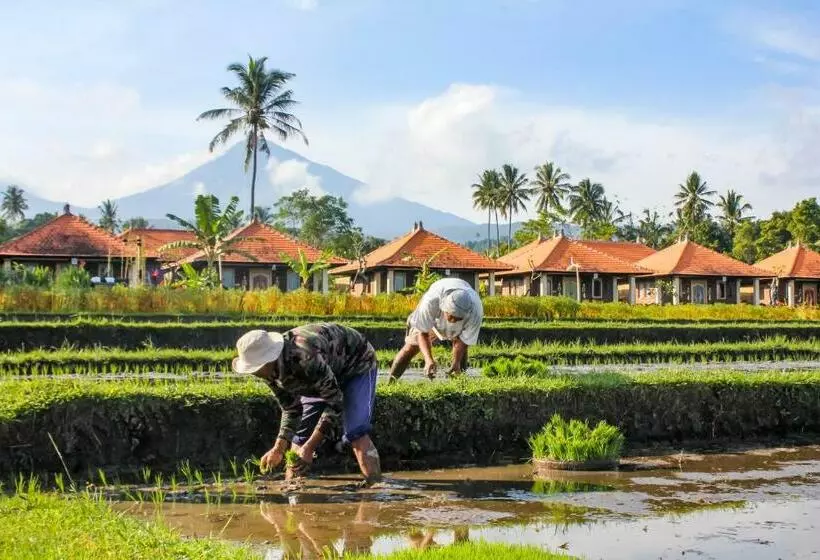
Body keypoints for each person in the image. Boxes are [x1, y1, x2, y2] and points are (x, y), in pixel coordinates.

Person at [232, 323, 382, 484]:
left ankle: (374, 490)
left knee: (356, 432)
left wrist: (310, 448)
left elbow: (335, 402)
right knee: (299, 439)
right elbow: (291, 408)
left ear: (268, 361)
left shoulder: (306, 357)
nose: (254, 373)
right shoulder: (267, 373)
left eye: (255, 369)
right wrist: (279, 448)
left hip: (355, 365)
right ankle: (293, 491)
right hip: (319, 377)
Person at [388, 277, 483, 383]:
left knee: (461, 352)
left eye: (458, 319)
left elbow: (464, 340)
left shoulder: (476, 311)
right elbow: (422, 333)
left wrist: (456, 363)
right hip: (433, 315)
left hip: (463, 306)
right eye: (451, 317)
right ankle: (390, 383)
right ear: (444, 308)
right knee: (411, 346)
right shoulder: (430, 301)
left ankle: (460, 385)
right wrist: (428, 360)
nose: (453, 321)